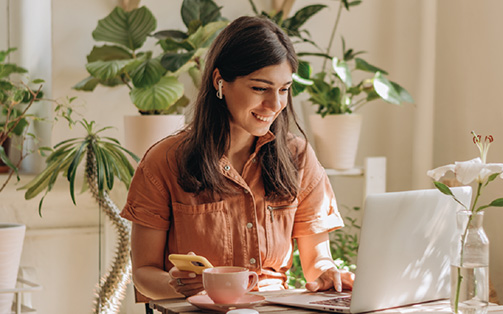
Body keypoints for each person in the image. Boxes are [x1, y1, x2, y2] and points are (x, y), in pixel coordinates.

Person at [120, 15, 355, 301]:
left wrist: (328, 273)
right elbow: (143, 272)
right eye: (260, 88)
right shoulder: (164, 160)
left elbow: (317, 262)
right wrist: (175, 284)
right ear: (220, 81)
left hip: (273, 308)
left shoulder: (299, 157)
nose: (275, 104)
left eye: (284, 89)